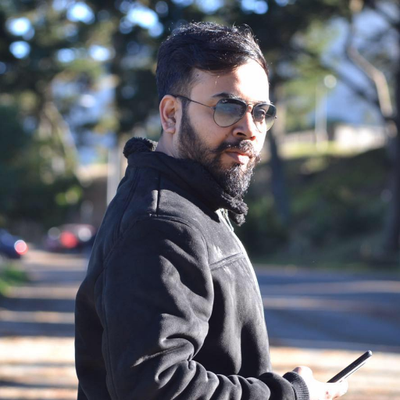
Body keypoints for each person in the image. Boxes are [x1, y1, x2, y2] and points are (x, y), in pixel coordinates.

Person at [75, 21, 348, 400]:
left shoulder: (196, 203)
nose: (249, 128)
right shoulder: (159, 224)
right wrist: (290, 395)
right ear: (171, 114)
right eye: (228, 107)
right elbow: (157, 386)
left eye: (261, 112)